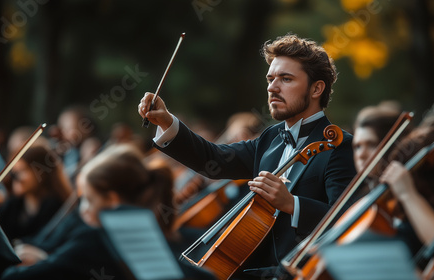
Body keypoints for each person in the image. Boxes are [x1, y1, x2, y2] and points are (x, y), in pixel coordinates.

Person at [138, 33, 356, 278]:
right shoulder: (270, 138)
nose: (272, 87)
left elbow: (345, 222)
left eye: (286, 79)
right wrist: (167, 121)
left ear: (317, 88)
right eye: (270, 79)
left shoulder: (340, 147)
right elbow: (215, 160)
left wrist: (292, 204)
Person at [1, 144, 215, 280]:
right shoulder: (155, 234)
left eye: (87, 199)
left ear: (112, 200)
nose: (82, 208)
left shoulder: (94, 239)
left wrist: (46, 260)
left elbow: (13, 277)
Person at [0, 145, 72, 242]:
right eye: (14, 171)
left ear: (41, 172)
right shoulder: (14, 204)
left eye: (22, 170)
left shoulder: (56, 207)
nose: (15, 177)